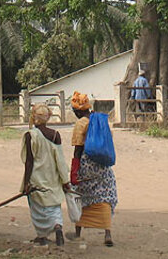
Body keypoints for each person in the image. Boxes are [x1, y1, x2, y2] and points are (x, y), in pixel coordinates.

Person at [69, 91, 118, 247]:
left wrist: (74, 171)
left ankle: (77, 233)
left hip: (87, 164)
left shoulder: (81, 123)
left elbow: (77, 150)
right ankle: (107, 233)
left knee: (81, 196)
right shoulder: (100, 120)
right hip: (102, 165)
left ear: (77, 111)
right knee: (104, 196)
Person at [21, 104, 70, 247]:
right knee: (54, 205)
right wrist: (65, 181)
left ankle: (42, 236)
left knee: (38, 207)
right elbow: (60, 160)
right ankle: (57, 226)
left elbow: (29, 161)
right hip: (52, 177)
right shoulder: (55, 135)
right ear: (47, 117)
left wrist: (26, 182)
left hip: (36, 177)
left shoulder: (30, 135)